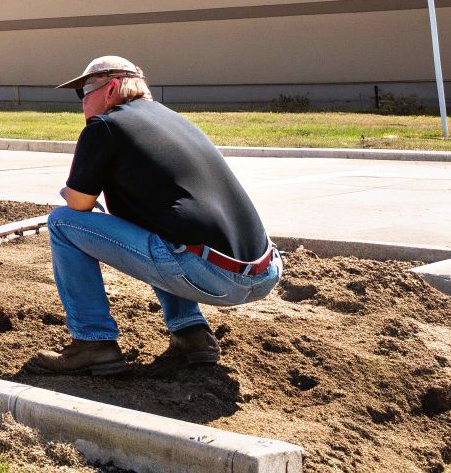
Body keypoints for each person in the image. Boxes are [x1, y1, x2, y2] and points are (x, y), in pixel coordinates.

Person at [25, 56, 280, 376]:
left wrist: (71, 193)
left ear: (112, 87)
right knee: (159, 228)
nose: (82, 103)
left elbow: (78, 204)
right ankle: (191, 333)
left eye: (85, 91)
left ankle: (93, 342)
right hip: (265, 269)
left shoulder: (105, 126)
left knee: (62, 223)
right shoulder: (173, 120)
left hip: (212, 275)